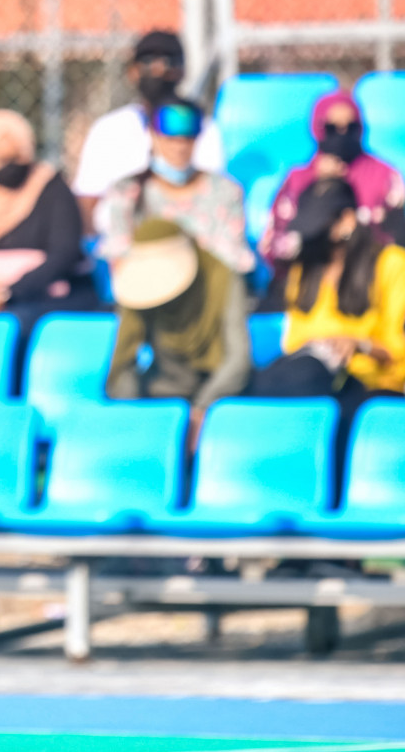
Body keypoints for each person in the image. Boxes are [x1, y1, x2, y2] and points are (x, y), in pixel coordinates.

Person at [248, 179, 405, 496]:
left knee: (340, 412)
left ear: (347, 220)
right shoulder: (305, 269)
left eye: (321, 225)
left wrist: (357, 344)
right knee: (266, 387)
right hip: (318, 373)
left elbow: (397, 349)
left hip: (374, 383)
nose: (313, 235)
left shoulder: (391, 265)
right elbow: (296, 340)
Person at [0, 108, 95, 367]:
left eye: (15, 156)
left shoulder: (51, 189)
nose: (10, 166)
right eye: (0, 159)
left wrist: (8, 294)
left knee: (16, 327)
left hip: (43, 299)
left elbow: (64, 254)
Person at [106, 219, 252, 449]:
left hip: (218, 395)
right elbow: (123, 361)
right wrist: (132, 416)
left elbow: (237, 360)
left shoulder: (221, 278)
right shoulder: (135, 289)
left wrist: (202, 408)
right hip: (161, 394)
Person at [73, 31, 225, 232]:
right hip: (120, 245)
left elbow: (212, 195)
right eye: (148, 61)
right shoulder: (108, 129)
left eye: (168, 62)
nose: (158, 69)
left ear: (182, 71)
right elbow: (87, 200)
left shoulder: (202, 128)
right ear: (132, 71)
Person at [96, 98, 254, 276]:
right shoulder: (127, 191)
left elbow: (233, 260)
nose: (179, 146)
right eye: (170, 137)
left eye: (188, 137)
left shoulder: (226, 191)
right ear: (152, 135)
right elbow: (119, 259)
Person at [260, 88, 404, 265]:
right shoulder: (298, 180)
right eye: (332, 129)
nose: (342, 135)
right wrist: (320, 188)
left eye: (350, 128)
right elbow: (274, 247)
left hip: (368, 277)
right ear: (318, 129)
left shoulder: (384, 176)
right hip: (312, 277)